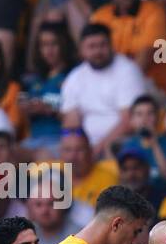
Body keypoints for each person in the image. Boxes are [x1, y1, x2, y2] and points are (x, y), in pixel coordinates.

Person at [59, 24, 149, 154]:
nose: (98, 51)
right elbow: (71, 123)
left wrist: (95, 150)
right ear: (81, 51)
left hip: (121, 143)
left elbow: (129, 122)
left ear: (111, 46)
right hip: (85, 147)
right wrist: (77, 149)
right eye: (92, 47)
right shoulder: (75, 77)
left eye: (102, 45)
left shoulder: (127, 70)